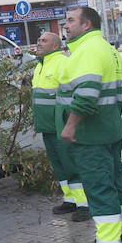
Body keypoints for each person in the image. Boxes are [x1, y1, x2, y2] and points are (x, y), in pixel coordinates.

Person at [57, 7, 122, 243]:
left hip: (91, 135)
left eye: (70, 21)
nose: (65, 25)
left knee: (100, 190)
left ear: (87, 24)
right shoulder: (107, 49)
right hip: (110, 129)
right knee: (116, 185)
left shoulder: (88, 50)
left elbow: (87, 96)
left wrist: (69, 127)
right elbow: (117, 95)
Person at [31, 32, 89, 221]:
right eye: (39, 40)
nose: (39, 43)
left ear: (55, 46)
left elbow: (73, 95)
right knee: (59, 165)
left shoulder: (62, 62)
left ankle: (84, 204)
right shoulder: (40, 66)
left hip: (61, 125)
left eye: (44, 40)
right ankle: (70, 199)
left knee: (71, 164)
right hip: (47, 127)